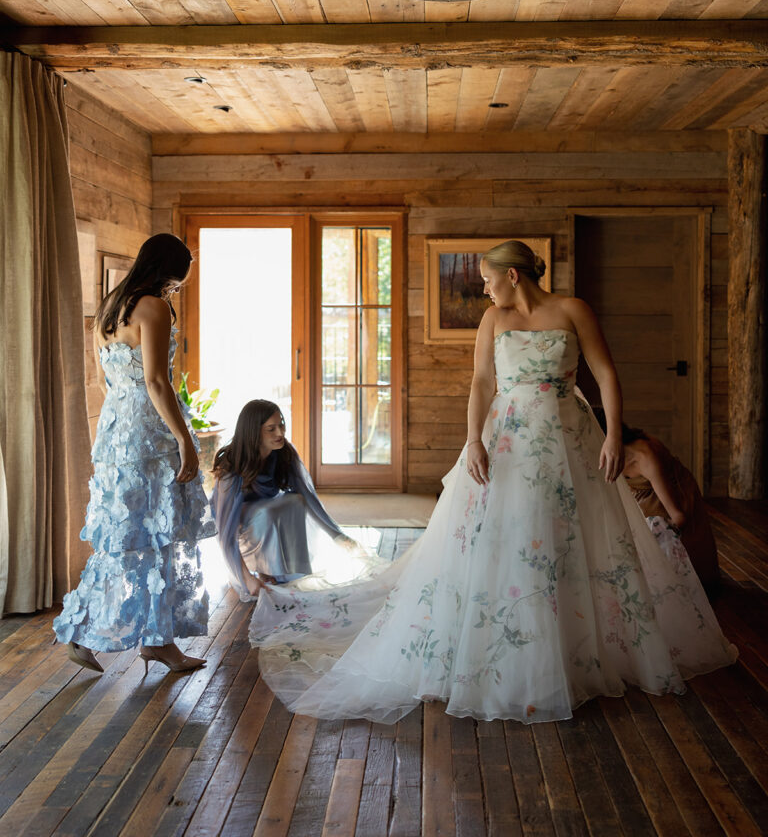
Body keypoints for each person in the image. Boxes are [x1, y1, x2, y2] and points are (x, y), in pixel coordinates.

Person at [248, 240, 736, 724]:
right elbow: (482, 382)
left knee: (569, 537)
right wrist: (473, 441)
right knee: (510, 537)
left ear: (513, 276)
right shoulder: (492, 320)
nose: (485, 289)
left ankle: (577, 651)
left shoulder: (573, 310)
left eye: (487, 279)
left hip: (569, 440)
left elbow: (605, 373)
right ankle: (508, 650)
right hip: (508, 441)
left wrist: (611, 436)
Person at [53, 234, 215, 675]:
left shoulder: (109, 308)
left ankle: (148, 640)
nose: (176, 289)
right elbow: (157, 382)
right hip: (150, 434)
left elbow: (104, 381)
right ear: (169, 271)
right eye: (177, 281)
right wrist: (184, 440)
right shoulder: (153, 307)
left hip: (115, 433)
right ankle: (141, 640)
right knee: (160, 535)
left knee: (124, 536)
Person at [211, 400, 379, 598]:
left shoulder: (284, 453)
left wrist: (338, 536)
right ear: (253, 432)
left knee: (296, 501)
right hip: (239, 532)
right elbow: (225, 533)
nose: (280, 433)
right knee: (267, 513)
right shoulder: (232, 465)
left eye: (281, 425)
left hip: (263, 522)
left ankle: (290, 570)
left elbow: (309, 497)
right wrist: (247, 578)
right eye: (271, 429)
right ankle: (262, 568)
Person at [594, 411, 720, 597]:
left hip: (671, 497)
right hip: (644, 498)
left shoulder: (643, 456)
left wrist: (649, 539)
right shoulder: (606, 457)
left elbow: (678, 516)